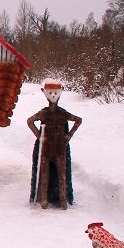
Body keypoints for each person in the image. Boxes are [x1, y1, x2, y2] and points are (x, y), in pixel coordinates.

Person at [27, 80, 82, 209]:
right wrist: (40, 137)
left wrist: (68, 136)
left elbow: (78, 120)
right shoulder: (44, 113)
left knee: (62, 175)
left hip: (60, 148)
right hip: (46, 149)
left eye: (56, 92)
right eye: (50, 92)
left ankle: (63, 201)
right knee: (44, 174)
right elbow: (30, 121)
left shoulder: (62, 113)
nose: (53, 95)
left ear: (60, 93)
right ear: (45, 94)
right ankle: (44, 200)